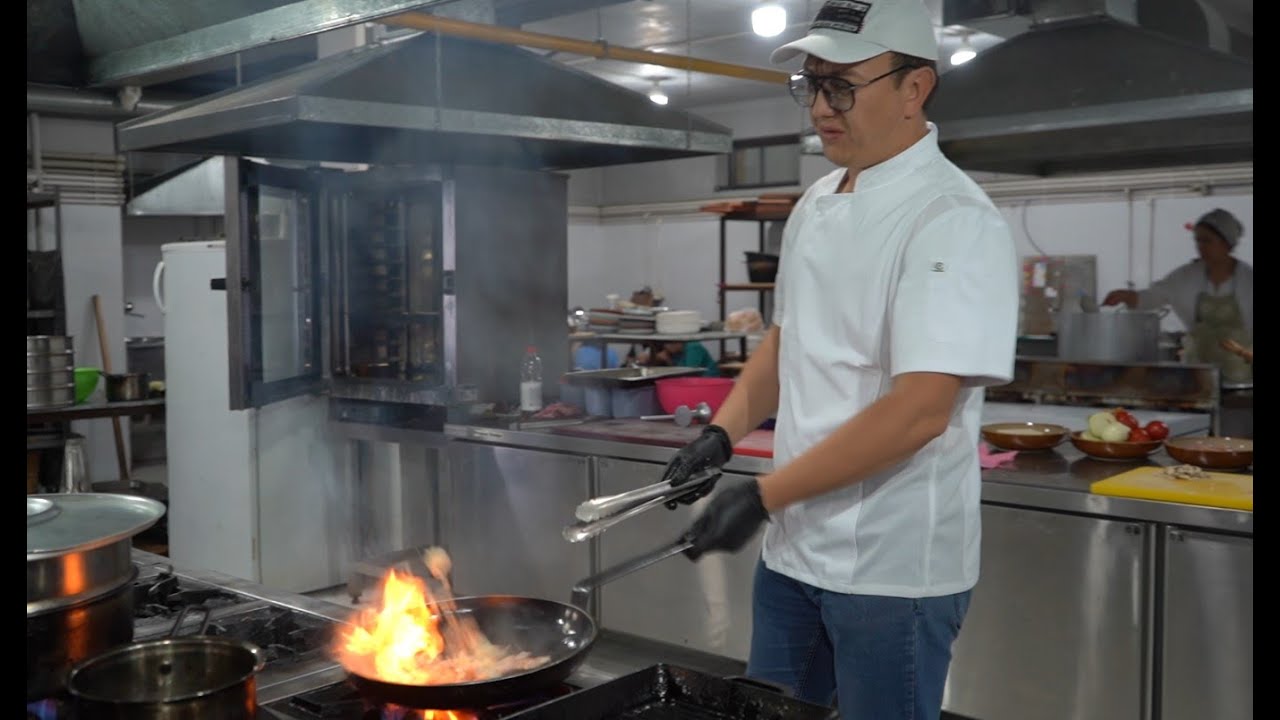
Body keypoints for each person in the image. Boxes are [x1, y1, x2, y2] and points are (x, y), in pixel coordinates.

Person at [657, 3, 1020, 718]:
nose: (822, 107)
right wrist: (722, 433)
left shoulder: (952, 219)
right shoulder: (817, 201)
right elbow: (788, 340)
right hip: (794, 553)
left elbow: (919, 412)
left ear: (915, 88)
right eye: (812, 85)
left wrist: (763, 495)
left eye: (842, 87)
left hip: (892, 571)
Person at [1102, 208, 1253, 383]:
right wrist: (1126, 296)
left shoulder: (1248, 279)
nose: (1200, 246)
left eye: (1207, 241)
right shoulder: (1186, 276)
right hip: (1199, 372)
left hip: (1241, 374)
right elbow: (1153, 297)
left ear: (1227, 243)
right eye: (1198, 240)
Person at [643, 340, 721, 377]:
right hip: (692, 380)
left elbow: (689, 373)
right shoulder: (676, 352)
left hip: (708, 380)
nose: (666, 347)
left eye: (668, 343)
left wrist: (668, 361)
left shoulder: (693, 348)